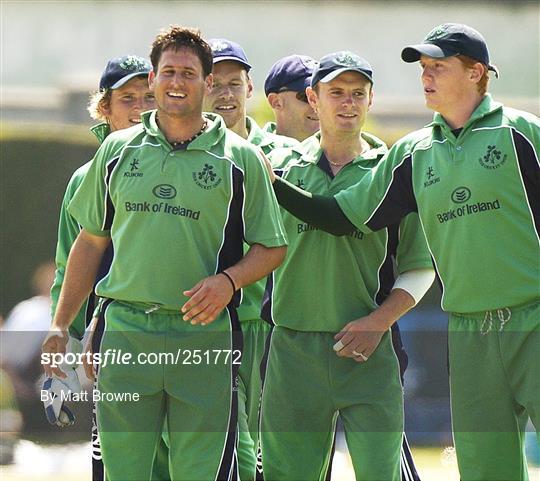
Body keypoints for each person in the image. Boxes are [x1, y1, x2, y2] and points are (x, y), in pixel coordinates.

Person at [267, 24, 539, 481]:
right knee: (485, 470)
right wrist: (270, 181)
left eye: (439, 66)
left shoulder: (522, 133)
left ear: (476, 73)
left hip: (534, 319)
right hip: (469, 330)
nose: (426, 76)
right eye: (423, 68)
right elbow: (341, 217)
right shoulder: (413, 152)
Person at [42, 25, 287, 481]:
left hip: (205, 337)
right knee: (125, 473)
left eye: (189, 74)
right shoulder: (115, 151)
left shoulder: (241, 159)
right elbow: (89, 242)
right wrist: (61, 324)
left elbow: (272, 246)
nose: (177, 82)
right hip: (127, 334)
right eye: (168, 72)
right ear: (154, 79)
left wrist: (229, 280)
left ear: (207, 83)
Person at [260, 51, 434, 481]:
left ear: (371, 101)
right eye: (336, 92)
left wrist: (378, 322)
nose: (348, 103)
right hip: (292, 352)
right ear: (312, 99)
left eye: (358, 93)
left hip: (369, 355)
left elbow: (420, 267)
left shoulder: (395, 172)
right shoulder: (278, 168)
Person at [46, 54, 163, 481]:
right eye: (127, 99)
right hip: (109, 342)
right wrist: (67, 334)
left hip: (181, 335)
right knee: (117, 463)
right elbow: (69, 264)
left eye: (148, 98)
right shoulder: (85, 179)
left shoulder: (182, 168)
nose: (139, 109)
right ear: (105, 109)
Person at [204, 38, 298, 480]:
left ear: (250, 87)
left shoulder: (280, 153)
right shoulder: (188, 151)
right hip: (210, 321)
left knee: (274, 446)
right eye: (214, 83)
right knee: (228, 442)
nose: (225, 93)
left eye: (233, 83)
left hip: (273, 323)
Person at [263, 54, 320, 141]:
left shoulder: (342, 152)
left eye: (321, 96)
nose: (316, 104)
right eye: (306, 97)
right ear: (276, 102)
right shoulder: (249, 152)